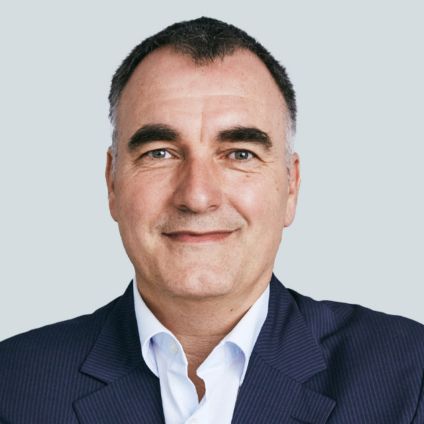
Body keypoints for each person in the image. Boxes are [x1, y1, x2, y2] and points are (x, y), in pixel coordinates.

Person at [0, 16, 423, 424]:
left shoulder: (409, 376)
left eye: (240, 154)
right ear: (112, 183)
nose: (197, 197)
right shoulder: (13, 386)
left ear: (290, 187)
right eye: (160, 153)